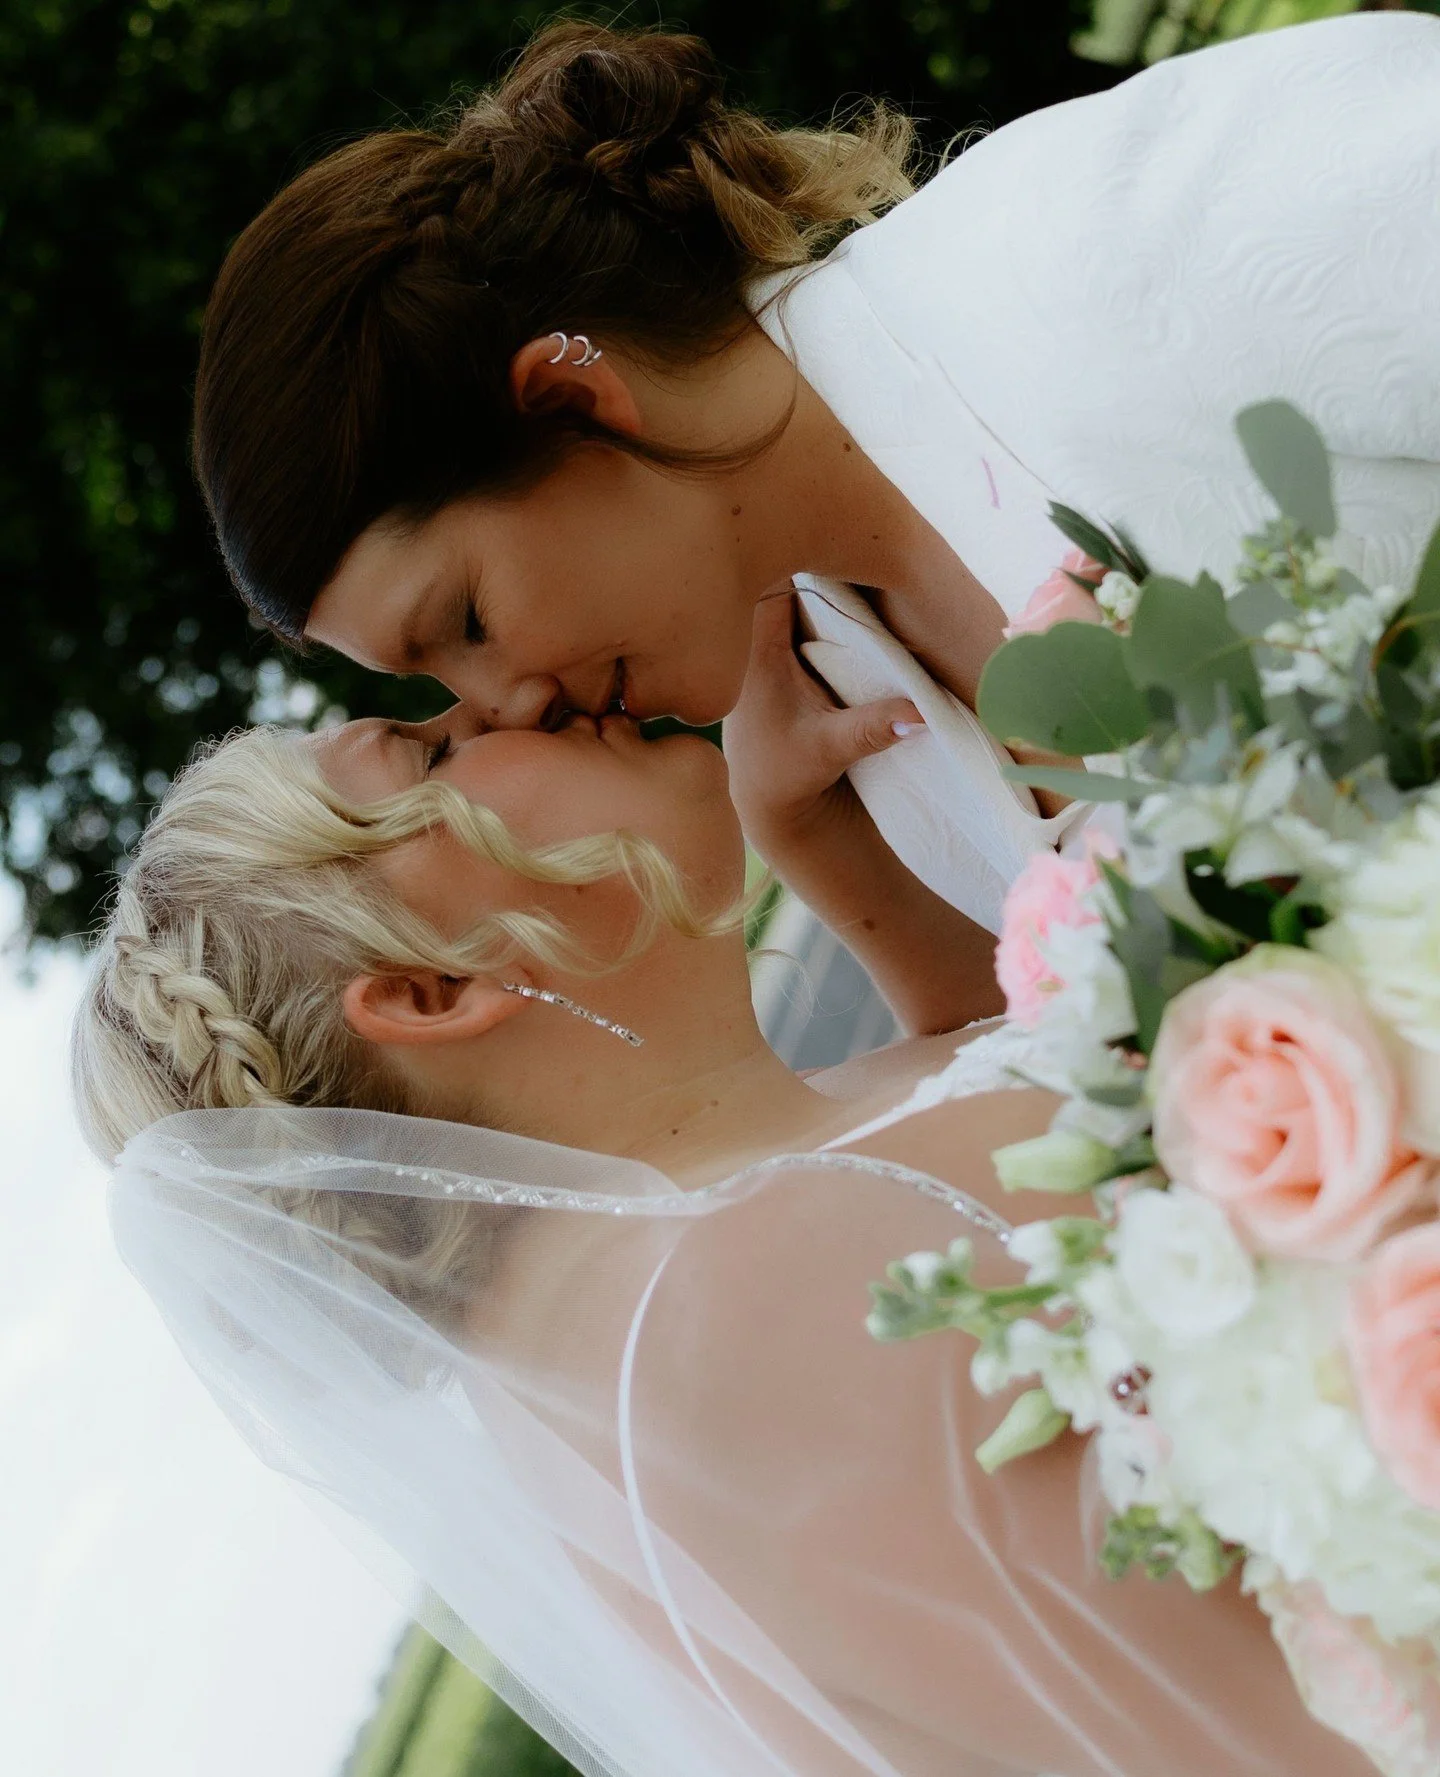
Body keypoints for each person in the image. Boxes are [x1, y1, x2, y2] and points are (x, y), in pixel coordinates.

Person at [74, 707, 1370, 1776]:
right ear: (430, 991)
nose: (502, 704)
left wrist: (843, 869)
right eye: (432, 753)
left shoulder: (660, 1308)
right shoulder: (741, 1307)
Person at [189, 11, 1440, 1034]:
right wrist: (827, 855)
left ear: (572, 399)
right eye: (436, 688)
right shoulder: (853, 732)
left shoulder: (1100, 242)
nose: (509, 709)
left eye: (463, 621)